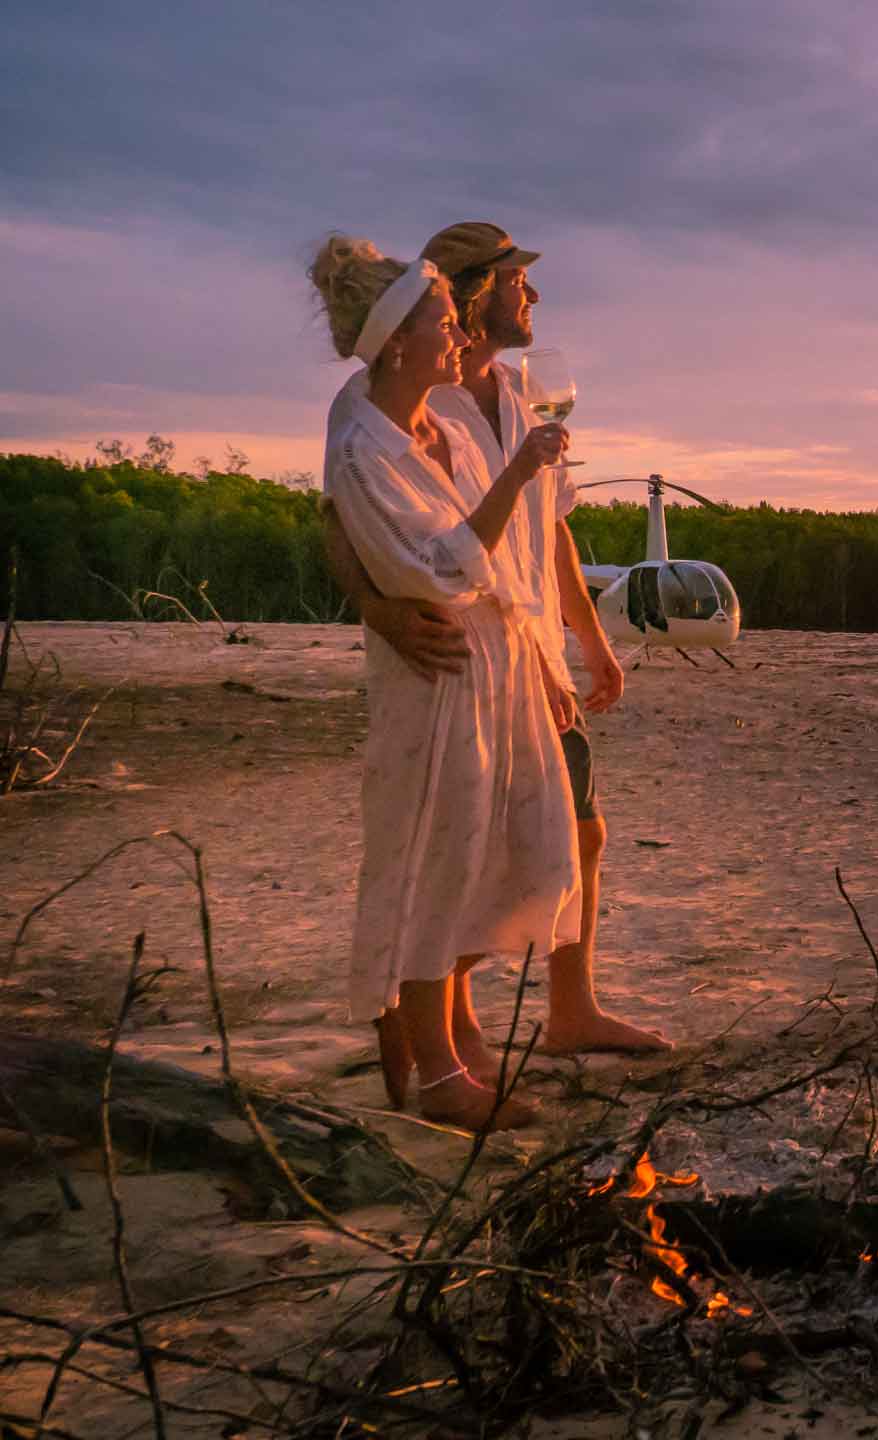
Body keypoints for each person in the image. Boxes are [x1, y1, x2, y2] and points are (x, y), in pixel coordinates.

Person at [323, 223, 668, 1101]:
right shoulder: (398, 400)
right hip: (455, 654)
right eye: (520, 281)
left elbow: (549, 529)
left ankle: (538, 1015)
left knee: (548, 832)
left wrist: (586, 640)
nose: (535, 297)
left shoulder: (510, 391)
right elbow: (348, 522)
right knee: (462, 848)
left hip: (525, 648)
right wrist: (378, 609)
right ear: (476, 290)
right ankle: (448, 1039)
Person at [310, 235, 576, 1129]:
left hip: (496, 662)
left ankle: (448, 1053)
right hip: (437, 669)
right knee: (424, 860)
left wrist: (552, 654)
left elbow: (521, 554)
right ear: (395, 340)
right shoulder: (363, 435)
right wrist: (380, 607)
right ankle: (426, 1073)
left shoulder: (450, 416)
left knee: (471, 857)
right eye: (443, 317)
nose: (457, 330)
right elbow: (449, 562)